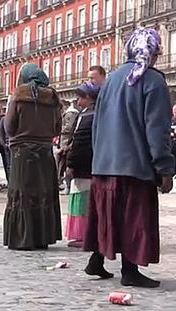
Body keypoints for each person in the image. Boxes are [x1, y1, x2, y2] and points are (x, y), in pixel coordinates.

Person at [83, 27, 174, 288]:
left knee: (107, 215)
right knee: (132, 219)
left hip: (104, 164)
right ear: (153, 52)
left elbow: (97, 124)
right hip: (134, 166)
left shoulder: (111, 79)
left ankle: (96, 260)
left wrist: (97, 158)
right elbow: (157, 130)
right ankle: (130, 271)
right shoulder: (153, 80)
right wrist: (164, 168)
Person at [3, 63, 62, 250]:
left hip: (22, 152)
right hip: (45, 152)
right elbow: (57, 128)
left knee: (22, 193)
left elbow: (10, 126)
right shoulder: (52, 98)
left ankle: (22, 237)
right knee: (42, 194)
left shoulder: (18, 96)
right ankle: (41, 237)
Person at [65, 82, 100, 248]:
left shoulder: (86, 116)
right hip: (93, 163)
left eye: (80, 98)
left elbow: (79, 142)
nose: (78, 102)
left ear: (88, 98)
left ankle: (82, 234)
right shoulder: (95, 113)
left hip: (83, 165)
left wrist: (70, 162)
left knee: (82, 199)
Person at [56, 101, 79, 194]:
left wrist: (58, 129)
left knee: (66, 164)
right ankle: (64, 184)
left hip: (66, 143)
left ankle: (68, 186)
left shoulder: (70, 113)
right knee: (62, 165)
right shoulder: (68, 113)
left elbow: (69, 127)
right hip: (64, 142)